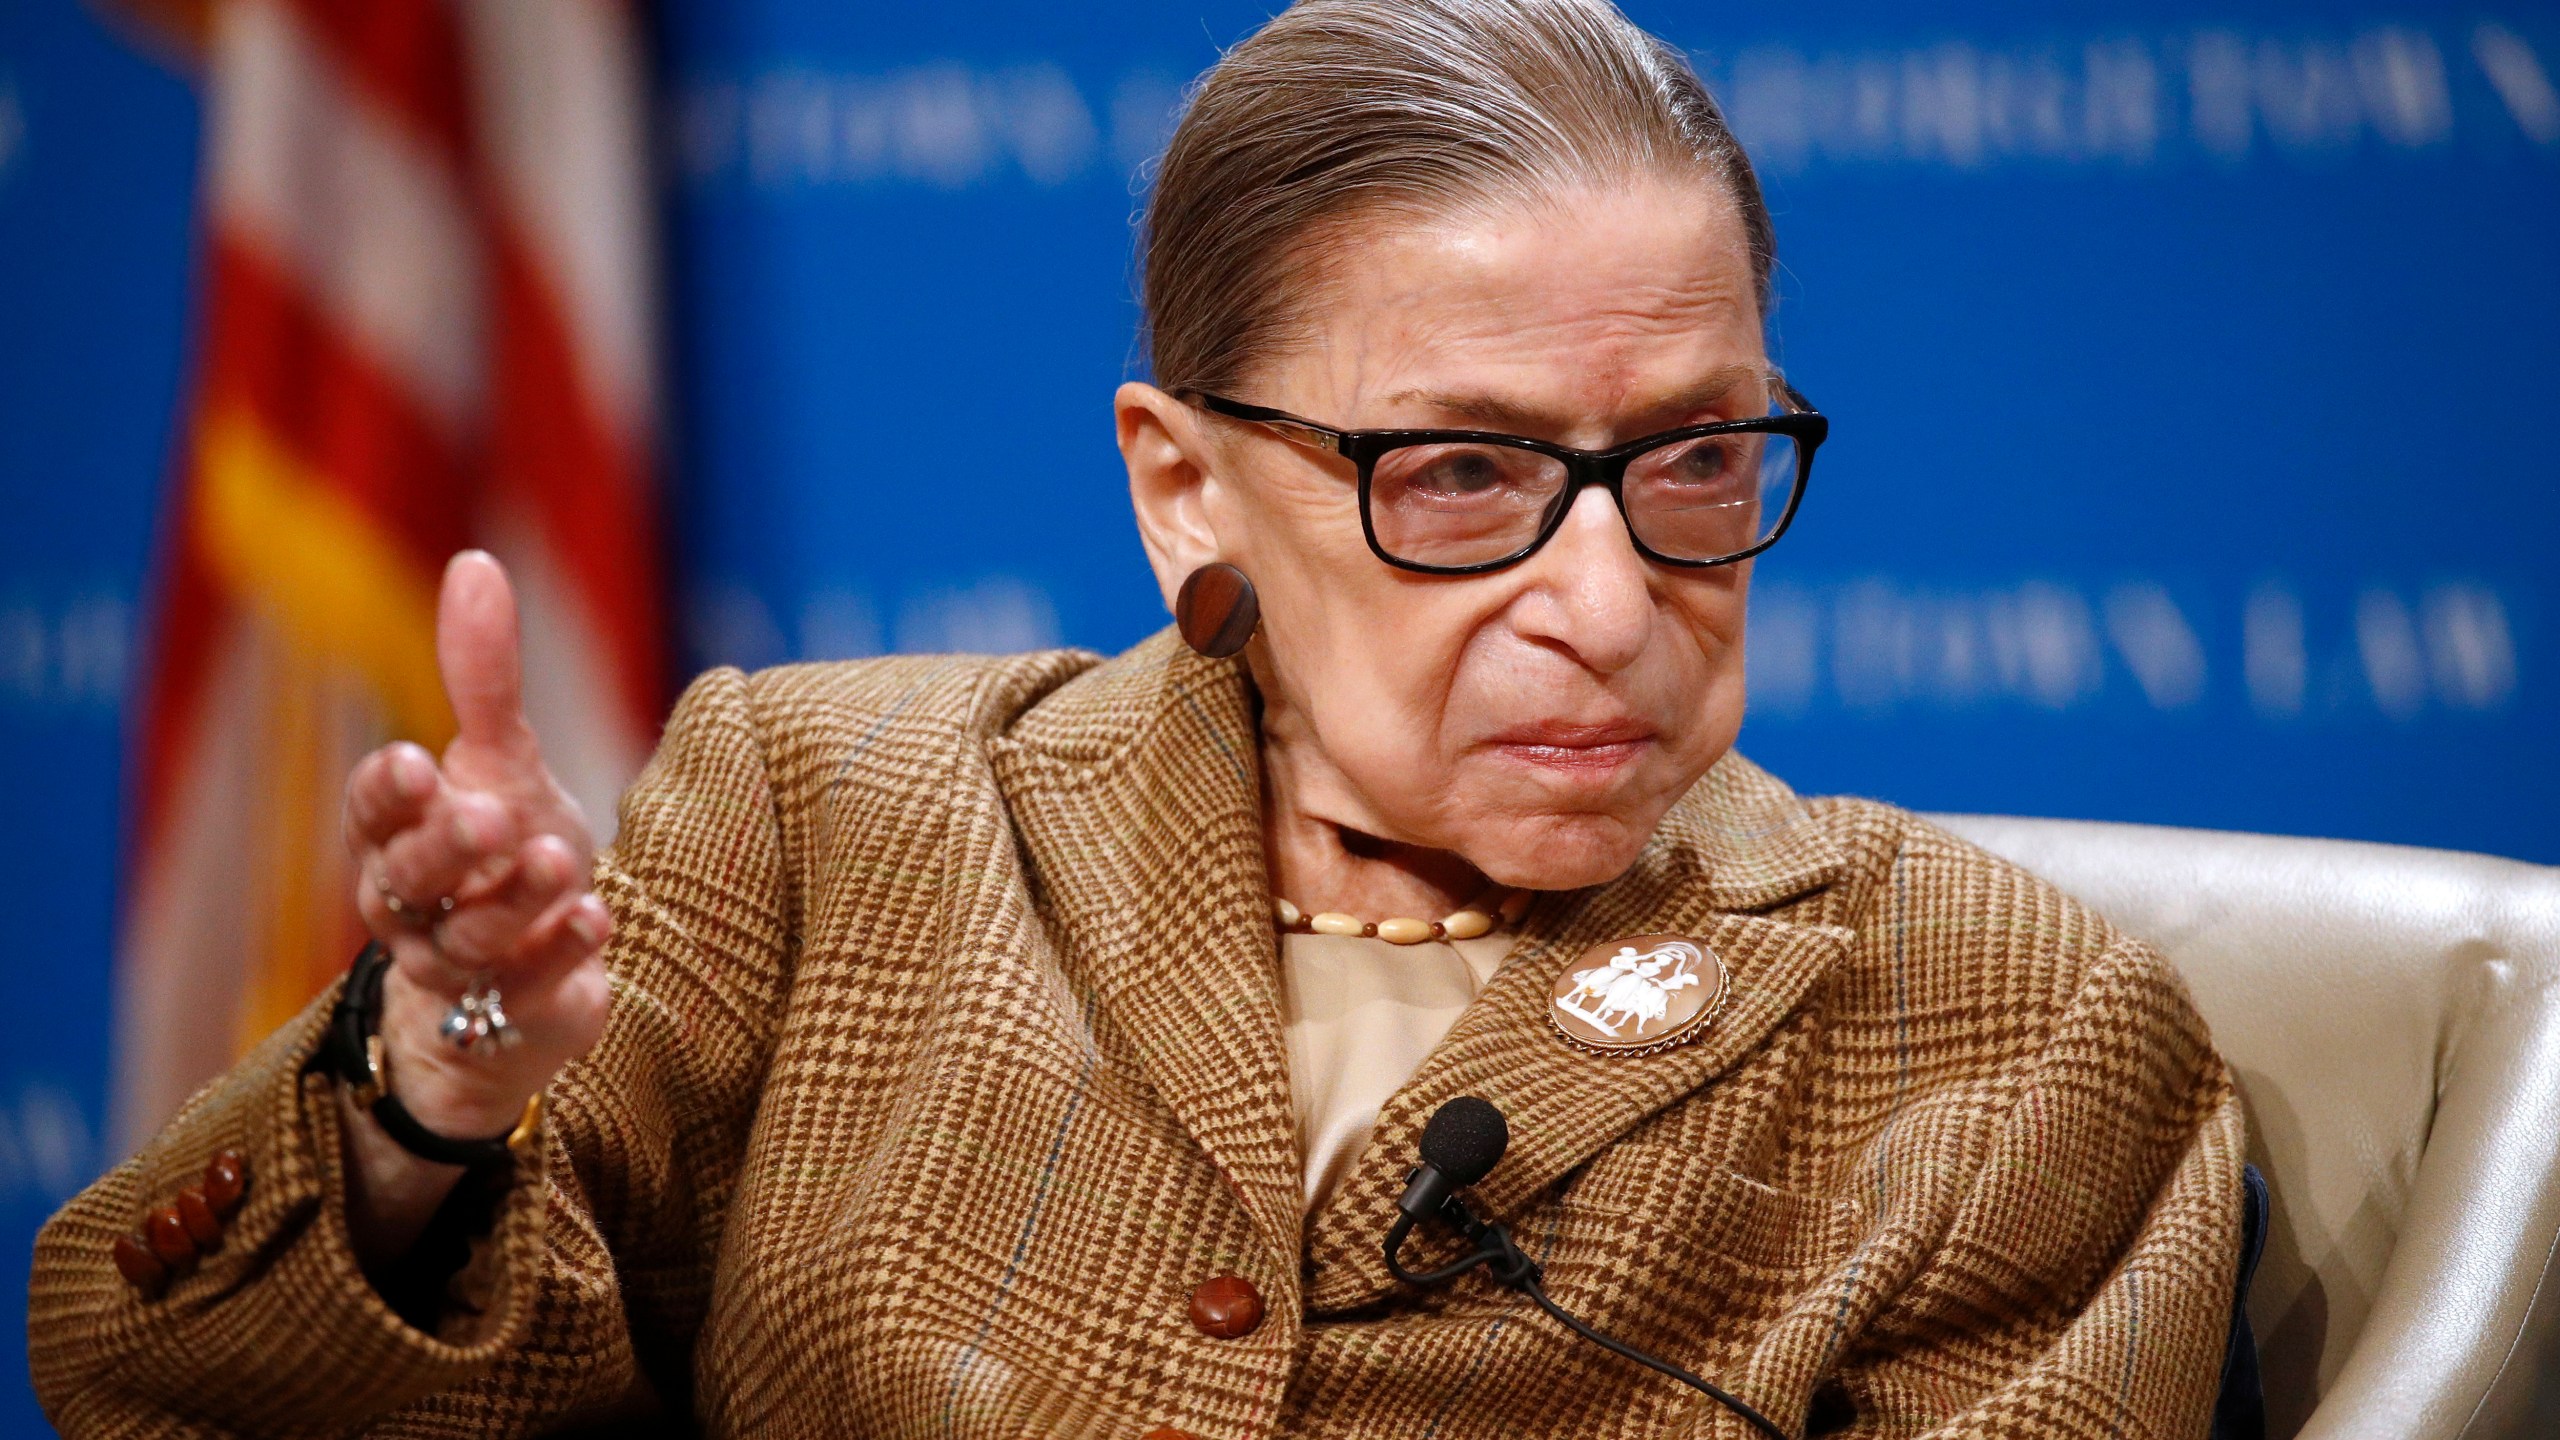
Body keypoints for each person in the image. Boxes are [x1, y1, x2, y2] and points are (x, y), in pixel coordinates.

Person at [31, 1, 2245, 1435]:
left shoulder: (2006, 1038)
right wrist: (430, 1106)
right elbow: (166, 1382)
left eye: (1686, 458)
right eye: (1456, 474)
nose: (1606, 599)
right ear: (1183, 484)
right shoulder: (828, 820)